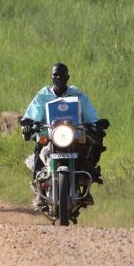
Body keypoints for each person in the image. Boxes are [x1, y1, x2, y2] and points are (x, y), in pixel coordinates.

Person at [20, 63, 108, 209]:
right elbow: (32, 114)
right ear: (51, 77)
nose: (58, 78)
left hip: (73, 135)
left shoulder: (78, 95)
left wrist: (96, 125)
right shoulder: (43, 96)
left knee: (91, 147)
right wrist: (28, 125)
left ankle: (86, 185)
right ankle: (38, 189)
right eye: (55, 75)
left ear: (68, 77)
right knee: (39, 148)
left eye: (62, 75)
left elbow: (90, 115)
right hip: (49, 135)